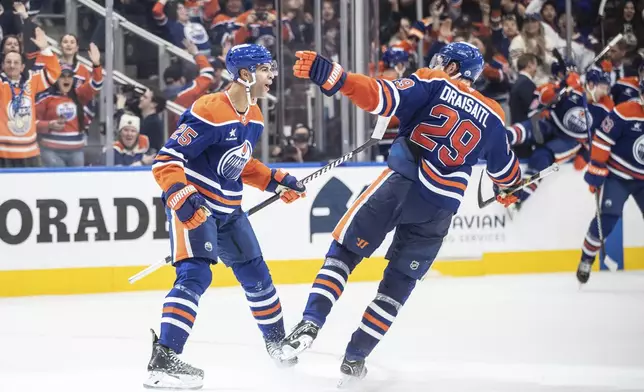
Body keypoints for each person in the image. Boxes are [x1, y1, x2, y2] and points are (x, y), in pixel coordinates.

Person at [278, 42, 523, 385]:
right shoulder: (494, 114)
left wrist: (331, 75)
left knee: (343, 253)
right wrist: (508, 190)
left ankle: (311, 322)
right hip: (438, 210)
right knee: (398, 285)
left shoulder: (434, 81)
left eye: (443, 62)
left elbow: (379, 95)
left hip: (400, 185)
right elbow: (507, 174)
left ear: (452, 68)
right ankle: (355, 357)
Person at [143, 44, 306, 390]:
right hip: (197, 205)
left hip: (229, 210)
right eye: (265, 69)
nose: (272, 76)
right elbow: (167, 159)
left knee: (257, 275)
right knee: (195, 275)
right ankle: (165, 357)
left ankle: (276, 342)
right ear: (245, 75)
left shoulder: (256, 116)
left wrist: (273, 180)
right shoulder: (209, 109)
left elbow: (238, 164)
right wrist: (180, 195)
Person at [506, 68, 614, 208]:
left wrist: (586, 154)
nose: (605, 92)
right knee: (525, 129)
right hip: (551, 123)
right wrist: (561, 86)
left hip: (570, 140)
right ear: (591, 85)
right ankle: (494, 140)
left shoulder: (607, 106)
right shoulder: (573, 89)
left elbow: (604, 137)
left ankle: (517, 198)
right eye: (603, 88)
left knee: (542, 158)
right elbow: (541, 95)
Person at [576, 78, 644, 284]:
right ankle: (586, 259)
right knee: (607, 220)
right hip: (619, 176)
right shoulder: (624, 111)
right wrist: (596, 170)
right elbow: (602, 139)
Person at [0, 27, 61, 168]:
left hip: (30, 152)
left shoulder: (31, 81)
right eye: (8, 62)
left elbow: (54, 72)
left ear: (22, 67)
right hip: (3, 153)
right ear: (2, 66)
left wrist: (45, 49)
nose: (12, 66)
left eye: (16, 63)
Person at [35, 43, 103, 167]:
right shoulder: (46, 97)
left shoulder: (79, 94)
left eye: (69, 76)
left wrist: (96, 64)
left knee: (77, 186)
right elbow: (32, 123)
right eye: (62, 76)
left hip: (76, 151)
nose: (66, 80)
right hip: (51, 152)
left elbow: (96, 84)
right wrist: (49, 125)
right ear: (56, 78)